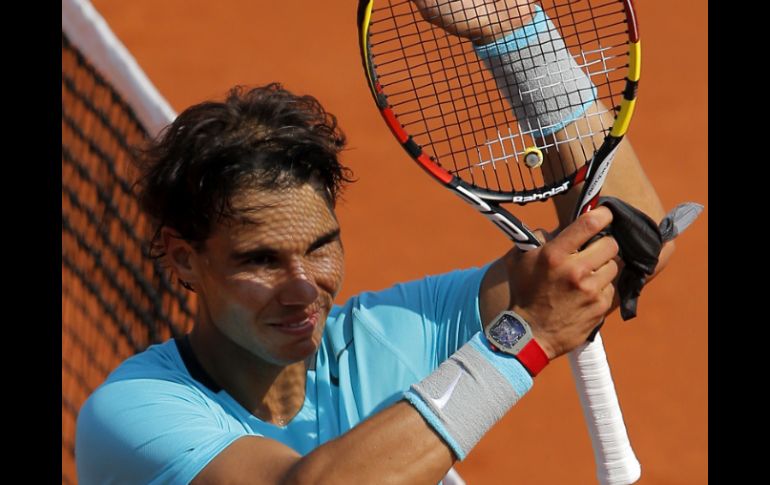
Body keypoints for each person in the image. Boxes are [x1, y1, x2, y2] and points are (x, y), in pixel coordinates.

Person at [75, 2, 673, 484]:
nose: (303, 287)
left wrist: (518, 35)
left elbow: (631, 243)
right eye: (260, 259)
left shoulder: (385, 337)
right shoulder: (135, 413)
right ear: (184, 258)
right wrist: (525, 338)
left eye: (320, 246)